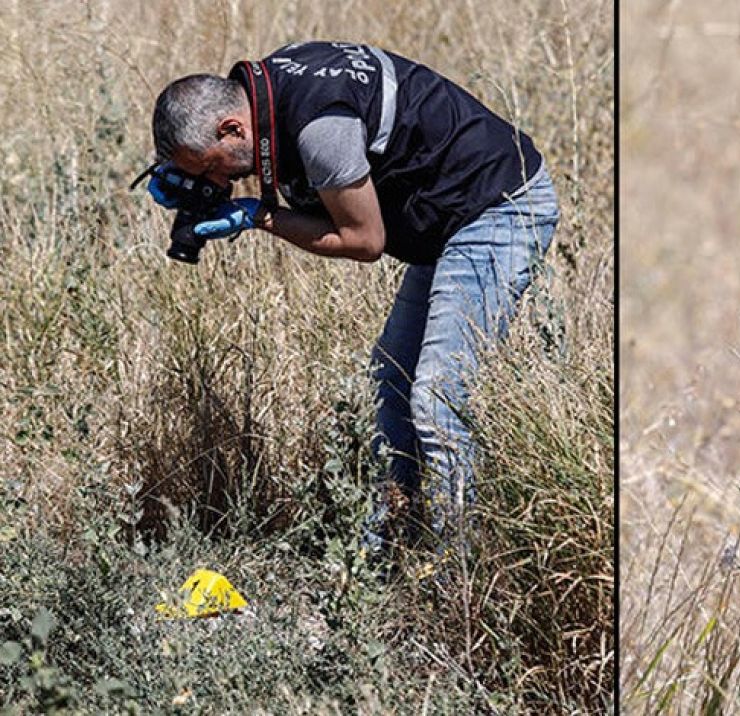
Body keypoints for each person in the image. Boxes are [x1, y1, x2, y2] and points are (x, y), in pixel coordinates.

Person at [147, 41, 559, 558]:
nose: (217, 181)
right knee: (391, 381)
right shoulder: (270, 93)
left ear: (232, 128)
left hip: (498, 209)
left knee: (437, 397)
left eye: (210, 166)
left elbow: (364, 241)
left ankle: (458, 576)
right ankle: (385, 555)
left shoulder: (320, 128)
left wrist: (258, 215)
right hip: (448, 220)